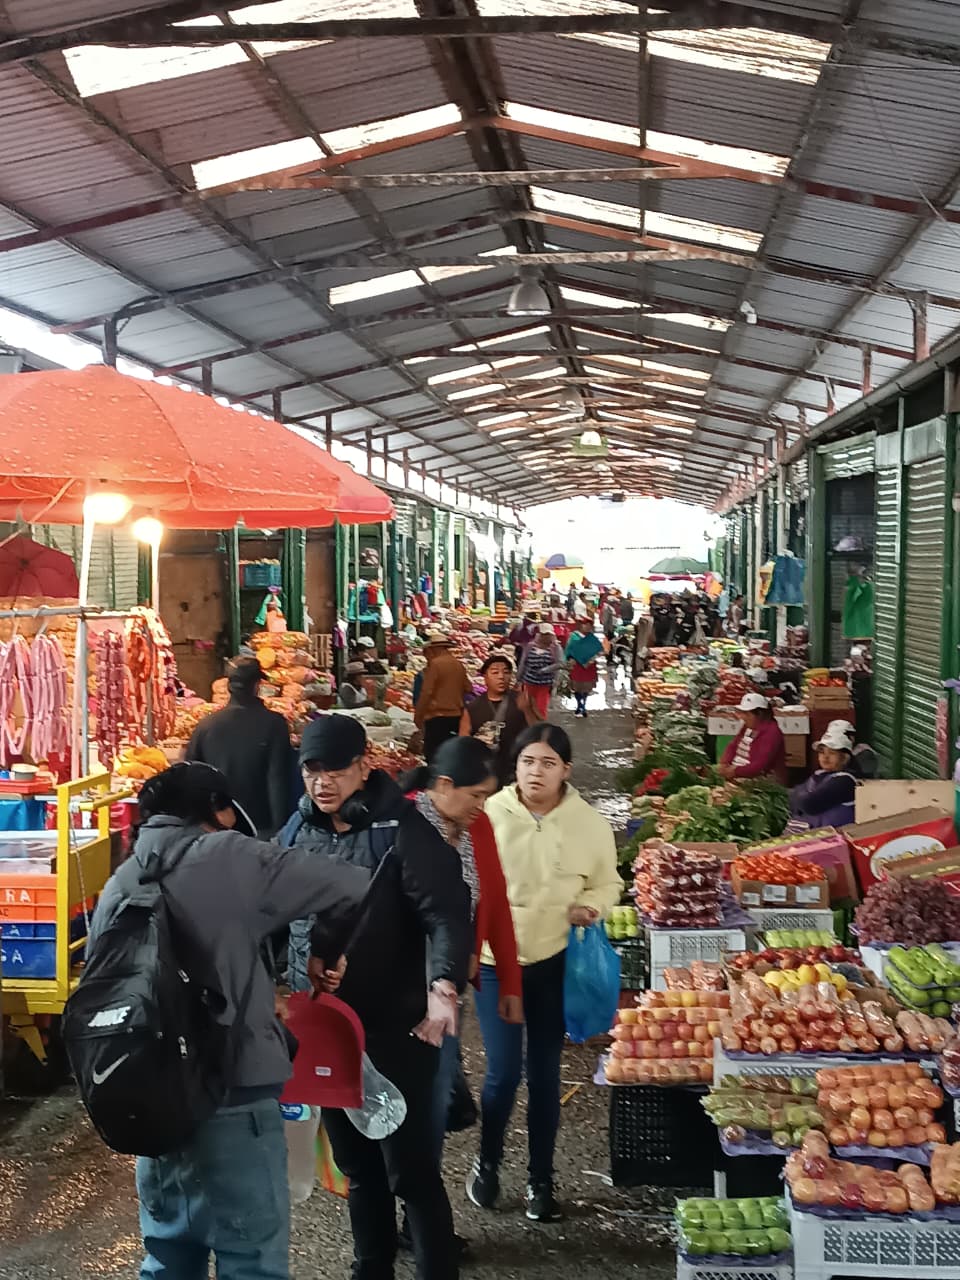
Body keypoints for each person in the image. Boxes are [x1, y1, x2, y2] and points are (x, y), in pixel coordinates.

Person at [89, 761, 370, 1280]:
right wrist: (323, 949)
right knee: (252, 1262)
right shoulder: (231, 855)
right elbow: (353, 884)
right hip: (234, 1092)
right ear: (219, 811)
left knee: (170, 1258)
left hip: (152, 1103)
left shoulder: (122, 881)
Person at [278, 716, 472, 1280]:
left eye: (335, 770)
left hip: (398, 1029)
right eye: (312, 771)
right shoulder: (296, 830)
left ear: (364, 767)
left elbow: (446, 912)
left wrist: (443, 985)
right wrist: (297, 969)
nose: (322, 783)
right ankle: (371, 1268)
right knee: (358, 1168)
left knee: (410, 1172)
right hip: (330, 1032)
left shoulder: (402, 831)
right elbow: (274, 911)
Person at [467, 724, 620, 1223]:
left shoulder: (588, 824)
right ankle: (488, 1162)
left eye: (548, 764)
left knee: (545, 1076)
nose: (536, 772)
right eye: (528, 761)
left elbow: (608, 882)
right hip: (497, 965)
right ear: (514, 766)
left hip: (555, 962)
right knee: (503, 1072)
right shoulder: (487, 815)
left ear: (566, 771)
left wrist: (592, 907)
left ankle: (541, 1179)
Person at [399, 739, 523, 1248]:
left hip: (447, 991)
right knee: (396, 1104)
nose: (483, 805)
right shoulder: (402, 824)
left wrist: (508, 979)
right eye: (477, 794)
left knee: (431, 1104)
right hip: (398, 989)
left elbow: (495, 902)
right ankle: (400, 1222)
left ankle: (420, 1226)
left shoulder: (478, 827)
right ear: (444, 785)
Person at [185, 657, 295, 838]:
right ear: (257, 685)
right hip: (260, 827)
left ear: (228, 685)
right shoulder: (274, 724)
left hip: (216, 828)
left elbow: (190, 778)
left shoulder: (205, 726)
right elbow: (277, 779)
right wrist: (281, 830)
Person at [460, 653, 540, 783]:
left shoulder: (523, 700)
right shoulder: (473, 707)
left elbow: (539, 732)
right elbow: (463, 741)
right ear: (485, 677)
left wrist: (526, 710)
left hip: (518, 770)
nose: (501, 677)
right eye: (495, 672)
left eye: (506, 672)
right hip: (486, 772)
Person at [789, 720, 860, 829]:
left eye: (832, 753)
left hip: (835, 835)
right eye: (822, 752)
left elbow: (809, 804)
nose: (825, 757)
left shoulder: (844, 782)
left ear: (845, 758)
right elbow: (794, 797)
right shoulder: (820, 774)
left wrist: (798, 797)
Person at [414, 631, 472, 762]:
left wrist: (418, 716)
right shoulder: (458, 664)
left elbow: (427, 692)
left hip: (437, 717)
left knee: (433, 755)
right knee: (451, 754)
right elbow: (469, 688)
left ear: (434, 649)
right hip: (456, 716)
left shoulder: (435, 664)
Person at [718, 692, 787, 784]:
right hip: (737, 772)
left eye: (746, 714)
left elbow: (759, 765)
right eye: (742, 713)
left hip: (760, 779)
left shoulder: (772, 732)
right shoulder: (748, 726)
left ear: (760, 714)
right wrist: (724, 763)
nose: (742, 717)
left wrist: (735, 771)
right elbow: (733, 746)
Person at [517, 623, 563, 719]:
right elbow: (523, 663)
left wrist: (545, 670)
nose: (546, 637)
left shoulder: (555, 647)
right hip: (529, 682)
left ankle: (539, 724)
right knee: (527, 706)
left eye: (548, 634)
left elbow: (560, 663)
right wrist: (518, 678)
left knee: (541, 708)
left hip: (544, 684)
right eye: (544, 634)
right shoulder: (530, 646)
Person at [563, 615, 603, 719]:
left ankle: (583, 706)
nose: (587, 627)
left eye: (589, 625)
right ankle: (579, 705)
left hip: (589, 667)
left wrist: (593, 657)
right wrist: (569, 659)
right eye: (585, 624)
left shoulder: (592, 638)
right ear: (581, 625)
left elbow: (599, 649)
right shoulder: (574, 637)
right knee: (577, 687)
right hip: (577, 666)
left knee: (586, 688)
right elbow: (569, 650)